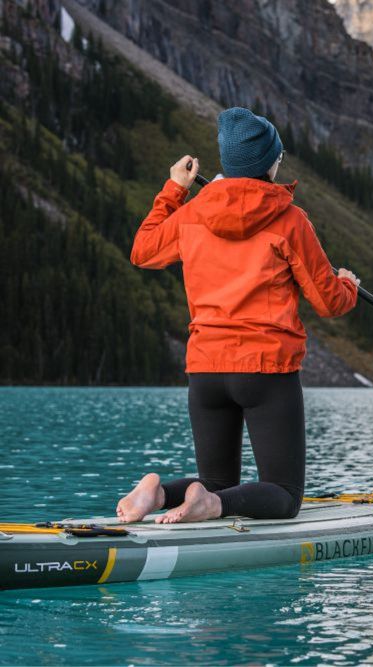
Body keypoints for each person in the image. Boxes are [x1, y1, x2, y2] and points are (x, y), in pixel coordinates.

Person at [116, 107, 360, 524]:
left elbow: (143, 250)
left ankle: (157, 495)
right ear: (270, 163)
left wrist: (175, 190)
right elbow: (329, 302)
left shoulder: (191, 214)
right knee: (283, 494)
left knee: (215, 478)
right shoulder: (289, 220)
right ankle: (213, 505)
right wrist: (348, 283)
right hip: (266, 370)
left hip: (206, 371)